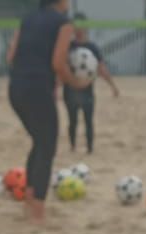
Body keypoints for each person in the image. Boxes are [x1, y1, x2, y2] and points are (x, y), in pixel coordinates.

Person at [6, 0, 88, 224]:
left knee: (39, 142)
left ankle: (29, 202)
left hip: (16, 89)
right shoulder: (63, 23)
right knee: (46, 146)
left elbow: (10, 57)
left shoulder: (27, 19)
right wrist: (75, 83)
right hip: (37, 90)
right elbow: (58, 63)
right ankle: (37, 211)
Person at [63, 13, 120, 154]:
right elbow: (61, 67)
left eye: (81, 26)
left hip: (87, 89)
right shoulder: (68, 47)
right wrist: (56, 88)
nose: (79, 29)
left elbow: (101, 68)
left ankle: (90, 149)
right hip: (70, 89)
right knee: (72, 120)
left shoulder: (92, 48)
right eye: (76, 26)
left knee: (88, 120)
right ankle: (73, 147)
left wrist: (112, 86)